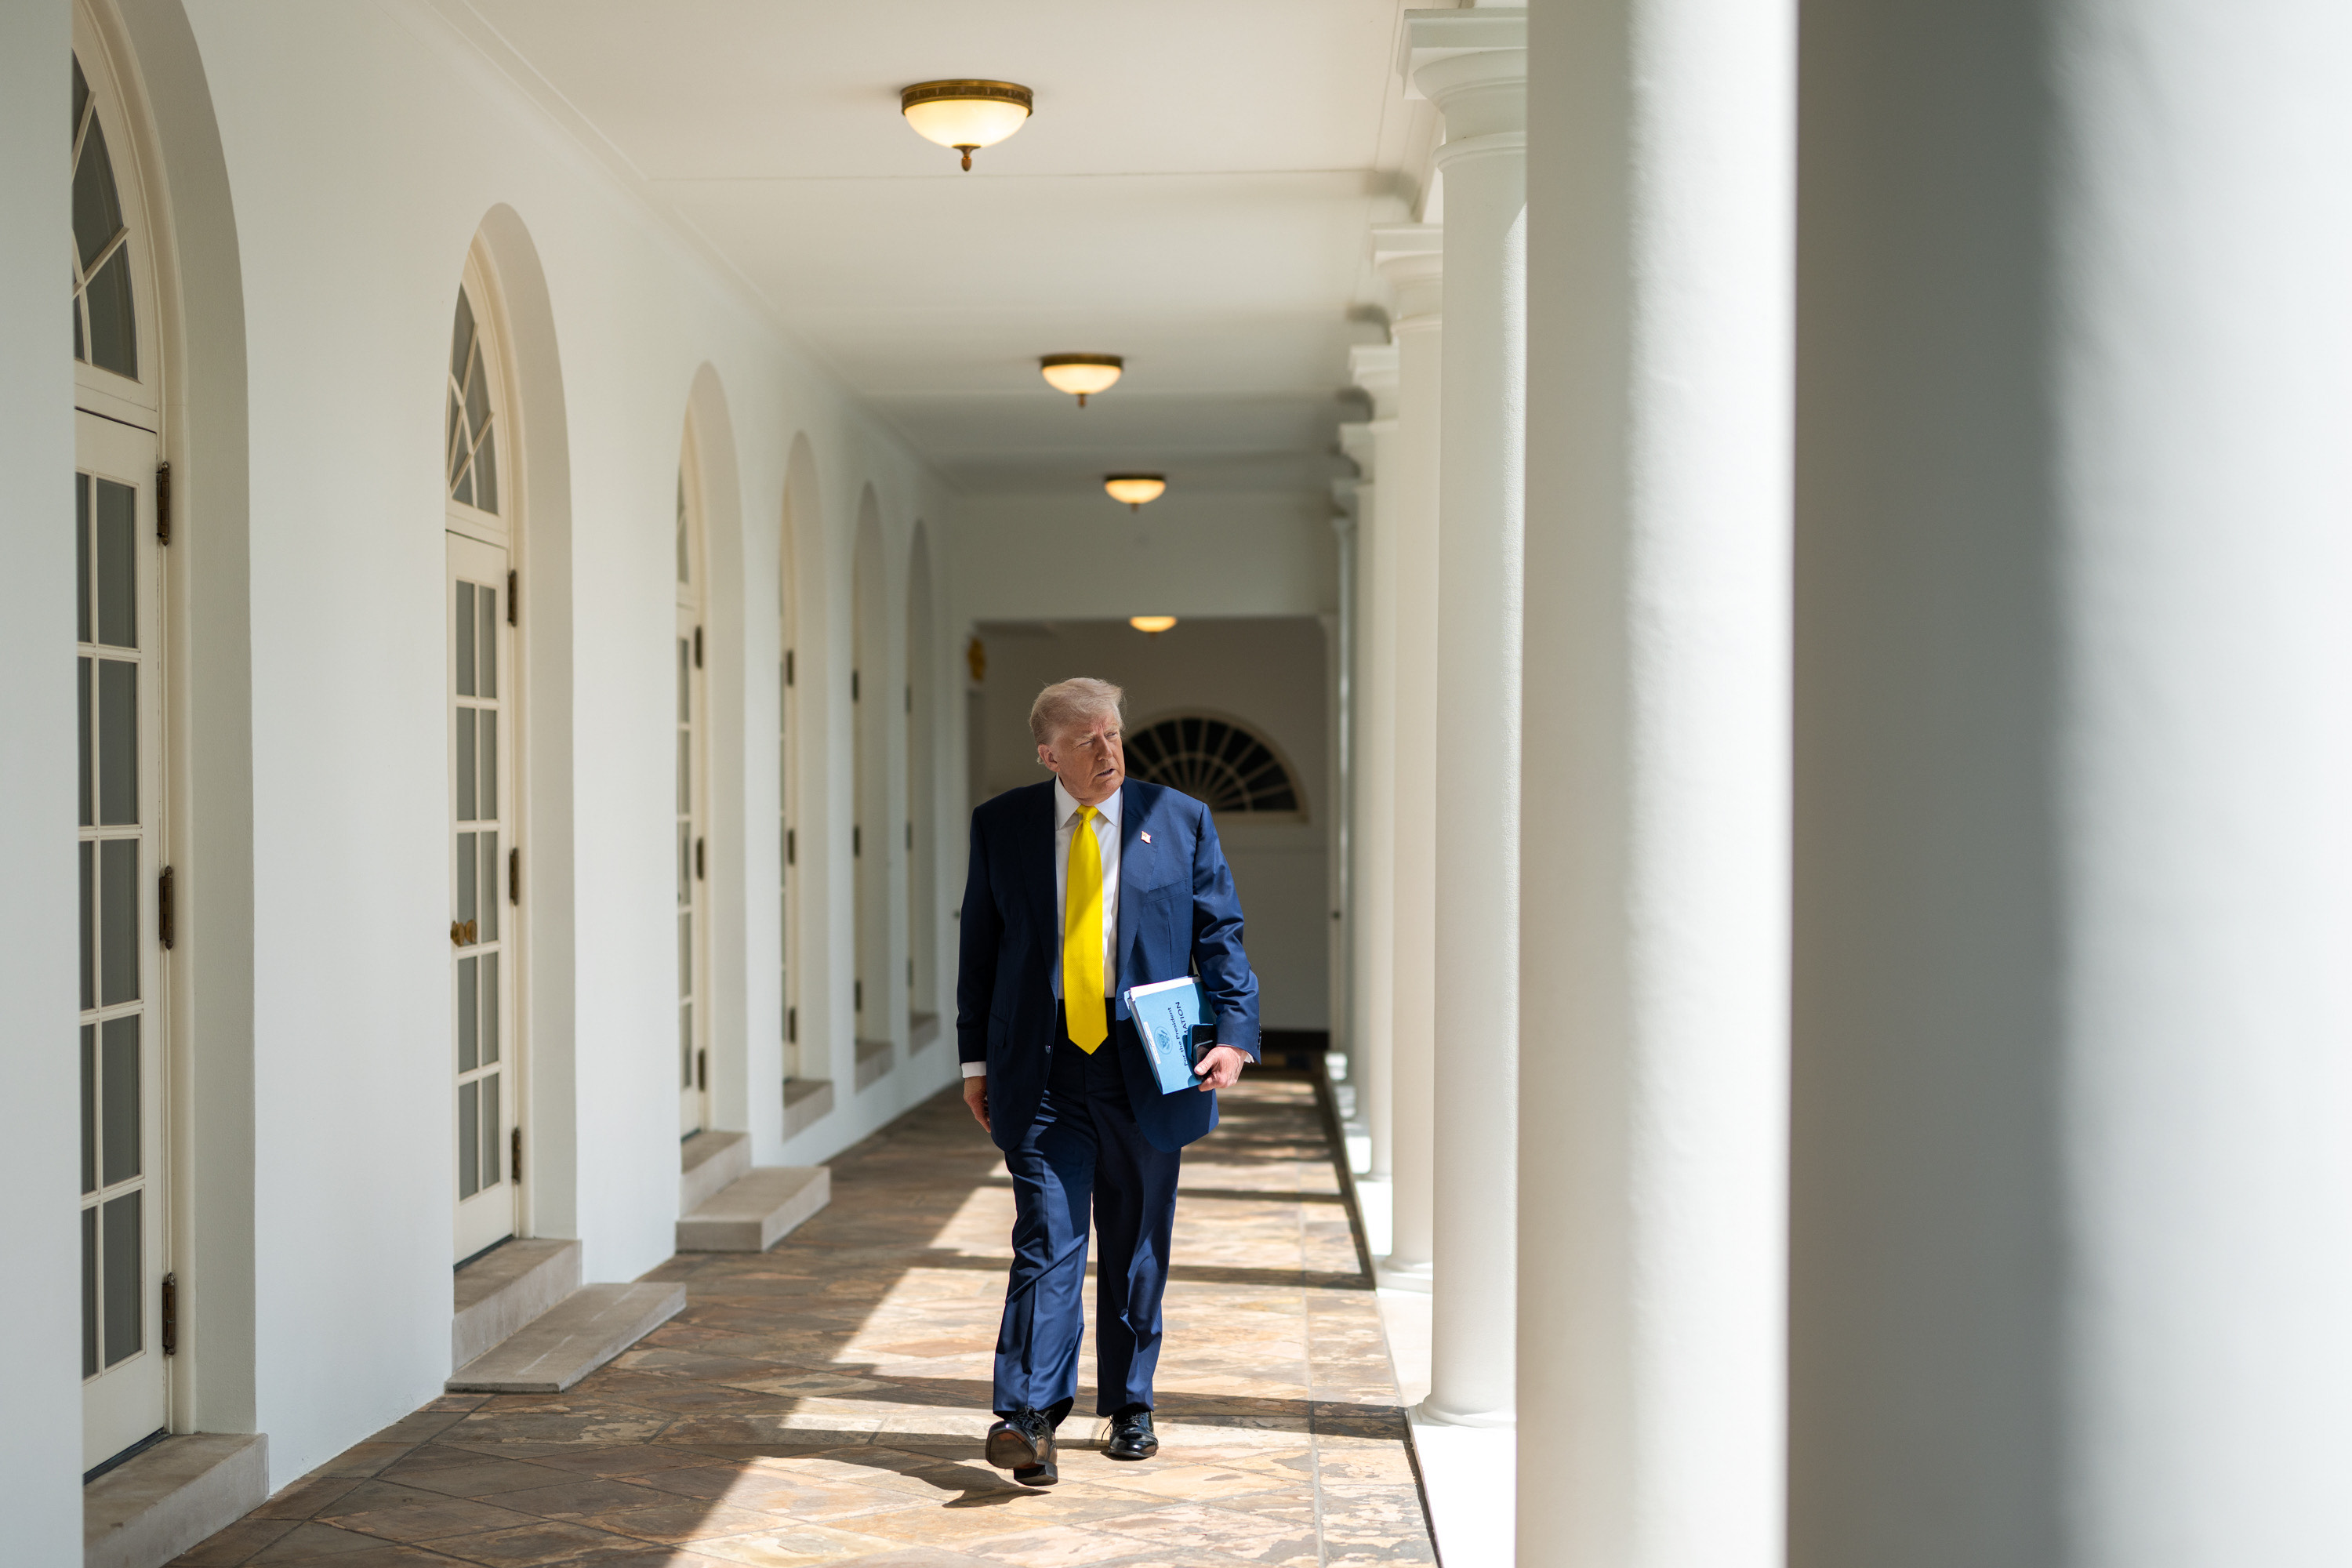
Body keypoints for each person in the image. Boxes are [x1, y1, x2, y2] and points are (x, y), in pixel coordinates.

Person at [956, 677, 1261, 1486]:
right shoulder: (1003, 826)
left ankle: (1131, 1401)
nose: (1107, 751)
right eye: (1087, 739)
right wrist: (975, 1062)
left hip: (1150, 1069)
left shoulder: (1179, 819)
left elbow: (1220, 934)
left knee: (1134, 1243)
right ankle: (1027, 1417)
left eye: (1115, 734)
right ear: (1048, 751)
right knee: (1047, 1239)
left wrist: (1233, 1036)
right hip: (1046, 1070)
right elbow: (981, 953)